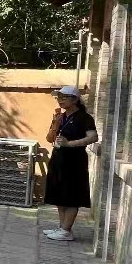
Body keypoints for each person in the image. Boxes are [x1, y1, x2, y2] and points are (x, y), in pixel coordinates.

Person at [44, 86, 98, 241]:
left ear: (74, 99)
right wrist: (54, 125)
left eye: (64, 97)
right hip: (58, 158)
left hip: (74, 160)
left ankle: (66, 230)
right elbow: (49, 138)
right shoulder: (60, 117)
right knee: (59, 194)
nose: (60, 100)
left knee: (72, 195)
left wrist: (70, 144)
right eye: (58, 97)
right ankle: (62, 228)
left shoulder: (84, 118)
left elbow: (93, 137)